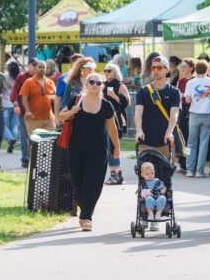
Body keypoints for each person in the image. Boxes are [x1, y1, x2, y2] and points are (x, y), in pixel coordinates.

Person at [58, 73, 120, 231]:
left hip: (98, 150)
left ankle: (86, 216)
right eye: (92, 82)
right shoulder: (76, 100)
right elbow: (61, 117)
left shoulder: (106, 105)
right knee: (78, 183)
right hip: (76, 148)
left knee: (94, 184)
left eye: (98, 83)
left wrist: (117, 148)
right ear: (86, 84)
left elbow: (112, 129)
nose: (95, 85)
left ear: (102, 86)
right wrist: (73, 111)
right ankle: (84, 209)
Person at [134, 55, 181, 160]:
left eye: (159, 68)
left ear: (167, 69)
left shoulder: (174, 92)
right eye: (153, 68)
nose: (155, 70)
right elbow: (138, 112)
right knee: (146, 174)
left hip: (164, 142)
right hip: (145, 141)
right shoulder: (143, 91)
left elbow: (174, 114)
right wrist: (139, 130)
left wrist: (169, 132)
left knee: (164, 175)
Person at [184, 60, 210, 178]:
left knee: (190, 143)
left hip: (194, 114)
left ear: (195, 69)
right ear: (207, 69)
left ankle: (189, 169)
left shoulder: (190, 82)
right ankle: (200, 171)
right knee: (204, 143)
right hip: (207, 115)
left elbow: (187, 100)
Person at [103, 62, 130, 185]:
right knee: (107, 147)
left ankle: (117, 173)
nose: (106, 73)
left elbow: (126, 103)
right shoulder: (102, 85)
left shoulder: (120, 86)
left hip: (115, 119)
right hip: (103, 119)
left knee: (113, 145)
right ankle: (112, 173)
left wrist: (114, 96)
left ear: (115, 72)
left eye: (109, 70)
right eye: (105, 71)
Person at [10, 59, 38, 168]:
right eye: (34, 66)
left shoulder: (40, 78)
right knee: (25, 135)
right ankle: (25, 159)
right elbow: (15, 93)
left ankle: (35, 159)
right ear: (29, 66)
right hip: (24, 112)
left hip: (38, 113)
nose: (36, 68)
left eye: (38, 66)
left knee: (35, 136)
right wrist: (16, 105)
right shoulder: (21, 77)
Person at [20, 59, 57, 133]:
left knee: (50, 141)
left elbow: (55, 98)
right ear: (35, 69)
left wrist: (53, 98)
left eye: (44, 67)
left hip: (49, 118)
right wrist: (27, 111)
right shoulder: (29, 82)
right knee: (35, 142)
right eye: (40, 67)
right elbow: (24, 97)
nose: (42, 69)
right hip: (33, 118)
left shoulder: (51, 82)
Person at [174, 58, 195, 173]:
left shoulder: (194, 80)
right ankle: (183, 161)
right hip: (182, 112)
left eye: (185, 66)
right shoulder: (181, 81)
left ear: (191, 68)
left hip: (191, 111)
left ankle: (189, 162)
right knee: (183, 137)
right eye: (182, 67)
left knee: (189, 137)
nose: (183, 69)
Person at [140, 162, 168, 230]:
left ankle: (158, 213)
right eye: (147, 174)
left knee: (163, 198)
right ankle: (150, 214)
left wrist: (164, 190)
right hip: (149, 199)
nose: (150, 175)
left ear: (154, 172)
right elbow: (141, 193)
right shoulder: (143, 183)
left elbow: (164, 187)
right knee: (148, 199)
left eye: (152, 173)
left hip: (158, 197)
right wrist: (145, 193)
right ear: (142, 175)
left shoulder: (158, 181)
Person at [3, 61, 20, 153]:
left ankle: (10, 139)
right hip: (16, 105)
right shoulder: (20, 78)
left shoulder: (5, 77)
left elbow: (2, 89)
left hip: (5, 104)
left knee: (2, 125)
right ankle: (13, 140)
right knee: (14, 125)